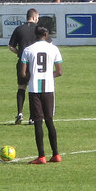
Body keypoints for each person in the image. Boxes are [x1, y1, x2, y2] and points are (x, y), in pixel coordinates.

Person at [20, 26, 63, 164]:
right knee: (49, 121)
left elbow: (23, 73)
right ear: (46, 34)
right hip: (49, 89)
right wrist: (48, 76)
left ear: (35, 35)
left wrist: (32, 77)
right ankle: (56, 154)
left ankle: (41, 156)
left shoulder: (28, 50)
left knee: (38, 122)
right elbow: (60, 72)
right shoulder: (54, 49)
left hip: (34, 89)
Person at [8, 8, 39, 124]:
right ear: (35, 17)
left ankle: (20, 113)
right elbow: (49, 44)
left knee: (21, 87)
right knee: (33, 89)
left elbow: (10, 47)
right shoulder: (38, 30)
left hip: (22, 63)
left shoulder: (19, 29)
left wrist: (20, 53)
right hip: (34, 63)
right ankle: (32, 118)